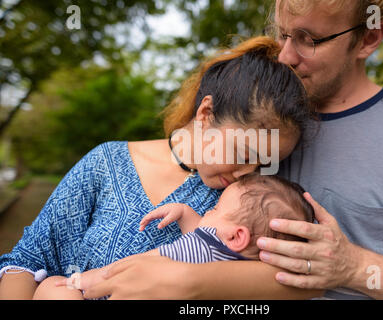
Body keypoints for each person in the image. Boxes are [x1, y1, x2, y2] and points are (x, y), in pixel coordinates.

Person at [81, 0, 383, 300]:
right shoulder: (244, 123)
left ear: (369, 38)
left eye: (308, 39)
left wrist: (352, 267)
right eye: (284, 33)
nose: (286, 55)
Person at [0, 36, 321, 300]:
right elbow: (26, 261)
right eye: (243, 151)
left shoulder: (247, 206)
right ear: (206, 113)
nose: (246, 173)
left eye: (265, 163)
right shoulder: (106, 162)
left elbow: (299, 281)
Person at [32, 173, 316, 299]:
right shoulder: (235, 266)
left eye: (215, 208)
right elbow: (204, 237)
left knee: (52, 288)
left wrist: (79, 281)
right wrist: (184, 211)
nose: (208, 212)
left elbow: (129, 270)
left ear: (237, 236)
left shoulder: (189, 254)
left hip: (109, 289)